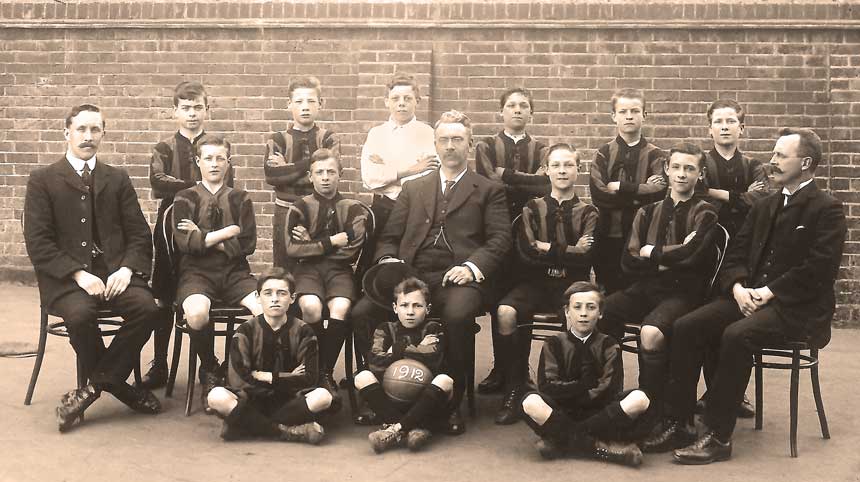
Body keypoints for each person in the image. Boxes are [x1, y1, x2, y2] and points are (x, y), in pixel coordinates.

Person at [642, 128, 847, 464]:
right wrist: (737, 288)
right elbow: (735, 255)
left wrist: (767, 292)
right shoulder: (765, 206)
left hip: (797, 310)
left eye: (782, 155)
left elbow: (818, 270)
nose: (773, 161)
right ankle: (678, 422)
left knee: (736, 335)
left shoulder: (827, 209)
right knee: (688, 325)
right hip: (748, 298)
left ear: (806, 162)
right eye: (774, 153)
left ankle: (718, 435)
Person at [351, 110, 512, 434]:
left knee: (456, 316)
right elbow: (390, 237)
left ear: (469, 144)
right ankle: (379, 394)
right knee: (362, 312)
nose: (450, 146)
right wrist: (387, 263)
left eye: (457, 139)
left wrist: (471, 267)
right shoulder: (414, 188)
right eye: (444, 140)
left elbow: (500, 238)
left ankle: (448, 403)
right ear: (435, 145)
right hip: (413, 274)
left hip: (458, 277)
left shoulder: (488, 188)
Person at [24, 104, 162, 432]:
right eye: (81, 129)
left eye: (95, 130)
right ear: (66, 132)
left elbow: (140, 234)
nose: (88, 137)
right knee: (80, 315)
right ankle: (120, 386)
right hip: (68, 280)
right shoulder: (43, 180)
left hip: (115, 275)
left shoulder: (117, 178)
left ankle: (92, 389)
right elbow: (38, 242)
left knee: (148, 308)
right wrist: (78, 274)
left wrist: (126, 270)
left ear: (103, 133)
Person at [598, 142, 718, 426]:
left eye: (689, 168)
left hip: (684, 292)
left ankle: (651, 406)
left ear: (699, 174)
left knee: (651, 331)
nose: (681, 174)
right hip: (645, 287)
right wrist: (671, 255)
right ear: (666, 169)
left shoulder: (706, 213)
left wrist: (652, 252)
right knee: (601, 312)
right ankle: (606, 394)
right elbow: (628, 261)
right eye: (676, 167)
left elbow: (693, 258)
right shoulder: (647, 212)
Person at [492, 143, 598, 424]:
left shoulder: (589, 212)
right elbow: (527, 253)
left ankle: (568, 391)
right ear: (547, 170)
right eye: (556, 165)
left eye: (568, 165)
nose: (562, 170)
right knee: (506, 312)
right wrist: (568, 249)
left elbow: (586, 257)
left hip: (572, 286)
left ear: (578, 170)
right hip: (535, 283)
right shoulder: (531, 207)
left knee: (578, 317)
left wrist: (546, 247)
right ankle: (516, 386)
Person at [144, 80, 231, 389]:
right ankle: (159, 361)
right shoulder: (164, 148)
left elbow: (226, 187)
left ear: (207, 110)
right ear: (175, 112)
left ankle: (209, 366)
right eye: (186, 108)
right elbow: (157, 183)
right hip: (170, 226)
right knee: (163, 295)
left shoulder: (216, 147)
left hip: (208, 225)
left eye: (198, 108)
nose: (192, 114)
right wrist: (195, 187)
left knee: (201, 289)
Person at [172, 134, 262, 412]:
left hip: (235, 273)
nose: (214, 164)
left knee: (267, 311)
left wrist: (204, 237)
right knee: (197, 313)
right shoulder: (185, 197)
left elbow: (248, 243)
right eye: (208, 158)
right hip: (196, 273)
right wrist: (227, 233)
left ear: (228, 162)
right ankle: (210, 368)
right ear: (198, 162)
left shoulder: (240, 198)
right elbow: (185, 244)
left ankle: (237, 369)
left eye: (220, 158)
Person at [521, 282, 648, 467]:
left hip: (601, 415)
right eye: (577, 307)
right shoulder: (553, 343)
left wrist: (575, 391)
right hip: (562, 411)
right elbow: (548, 386)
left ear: (600, 313)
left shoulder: (609, 344)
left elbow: (610, 388)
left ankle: (563, 441)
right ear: (566, 311)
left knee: (640, 398)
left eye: (591, 307)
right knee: (529, 401)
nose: (583, 313)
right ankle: (598, 447)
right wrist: (584, 387)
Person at [474, 87, 550, 395]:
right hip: (495, 228)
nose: (517, 110)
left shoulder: (542, 148)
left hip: (532, 230)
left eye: (523, 105)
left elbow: (545, 183)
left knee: (522, 301)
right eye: (511, 105)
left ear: (531, 112)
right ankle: (500, 367)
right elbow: (489, 182)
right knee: (498, 302)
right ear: (501, 111)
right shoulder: (487, 146)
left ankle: (521, 370)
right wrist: (524, 179)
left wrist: (509, 175)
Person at [284, 148, 370, 411]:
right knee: (310, 306)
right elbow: (292, 249)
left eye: (331, 172)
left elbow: (352, 248)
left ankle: (324, 372)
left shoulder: (354, 209)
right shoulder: (299, 208)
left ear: (340, 175)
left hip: (340, 271)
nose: (325, 178)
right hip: (307, 270)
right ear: (310, 177)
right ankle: (312, 368)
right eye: (319, 173)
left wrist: (312, 243)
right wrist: (329, 242)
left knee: (341, 307)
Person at [698, 98, 768, 418]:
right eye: (718, 121)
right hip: (706, 248)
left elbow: (758, 200)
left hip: (743, 250)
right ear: (709, 127)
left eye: (731, 121)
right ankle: (709, 391)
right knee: (707, 320)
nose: (724, 126)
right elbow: (697, 196)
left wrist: (716, 193)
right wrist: (736, 198)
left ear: (742, 128)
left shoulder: (754, 166)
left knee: (738, 321)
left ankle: (734, 394)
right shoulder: (700, 162)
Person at [206, 268, 332, 444]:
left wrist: (267, 377)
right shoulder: (244, 331)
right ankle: (285, 430)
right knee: (216, 396)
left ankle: (244, 423)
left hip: (290, 401)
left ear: (292, 298)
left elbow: (310, 378)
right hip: (252, 400)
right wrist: (289, 377)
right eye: (268, 293)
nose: (275, 299)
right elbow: (239, 380)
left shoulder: (304, 331)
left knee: (323, 397)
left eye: (282, 293)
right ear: (258, 297)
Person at [355, 277, 453, 453]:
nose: (410, 311)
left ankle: (394, 429)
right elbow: (375, 361)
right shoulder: (384, 329)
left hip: (423, 396)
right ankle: (414, 428)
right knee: (362, 377)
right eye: (404, 305)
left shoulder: (433, 328)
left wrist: (395, 350)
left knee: (445, 380)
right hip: (392, 396)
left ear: (427, 309)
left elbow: (432, 358)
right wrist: (418, 348)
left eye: (417, 306)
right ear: (395, 308)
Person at [589, 88, 667, 294]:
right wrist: (639, 195)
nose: (629, 116)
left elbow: (659, 192)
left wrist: (622, 187)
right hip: (609, 234)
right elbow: (599, 195)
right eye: (623, 111)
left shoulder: (656, 155)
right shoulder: (603, 153)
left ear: (645, 115)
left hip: (645, 235)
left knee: (639, 292)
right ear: (614, 116)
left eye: (635, 110)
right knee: (610, 293)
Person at [264, 76, 340, 269]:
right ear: (289, 104)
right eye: (299, 101)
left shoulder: (329, 138)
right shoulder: (278, 139)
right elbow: (273, 176)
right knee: (284, 265)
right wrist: (313, 164)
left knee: (318, 264)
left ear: (320, 104)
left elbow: (332, 174)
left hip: (320, 209)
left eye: (311, 101)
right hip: (285, 209)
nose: (305, 107)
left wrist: (288, 167)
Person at [359, 73, 437, 261]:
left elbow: (431, 174)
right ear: (387, 102)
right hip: (384, 207)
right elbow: (370, 178)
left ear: (417, 101)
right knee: (378, 259)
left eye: (407, 98)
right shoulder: (377, 134)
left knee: (412, 258)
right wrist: (411, 169)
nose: (401, 103)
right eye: (395, 98)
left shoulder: (427, 133)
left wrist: (387, 169)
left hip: (416, 208)